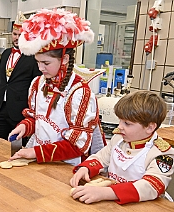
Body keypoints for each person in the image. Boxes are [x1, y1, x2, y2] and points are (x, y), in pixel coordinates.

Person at [8, 8, 106, 165]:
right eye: (38, 62)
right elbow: (37, 118)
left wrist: (35, 152)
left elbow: (77, 145)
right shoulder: (37, 84)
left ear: (65, 59)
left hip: (65, 166)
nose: (40, 68)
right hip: (39, 160)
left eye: (46, 63)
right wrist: (25, 127)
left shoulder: (79, 93)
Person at [70, 90, 174, 204]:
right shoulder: (118, 139)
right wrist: (85, 168)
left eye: (127, 123)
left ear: (150, 127)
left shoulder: (162, 154)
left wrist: (104, 193)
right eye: (120, 120)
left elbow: (150, 186)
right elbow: (101, 158)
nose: (119, 126)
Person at [0, 11, 40, 144]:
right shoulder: (5, 53)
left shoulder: (33, 57)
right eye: (15, 34)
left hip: (19, 111)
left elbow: (36, 86)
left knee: (15, 147)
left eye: (21, 35)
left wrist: (33, 111)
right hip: (0, 109)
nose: (17, 37)